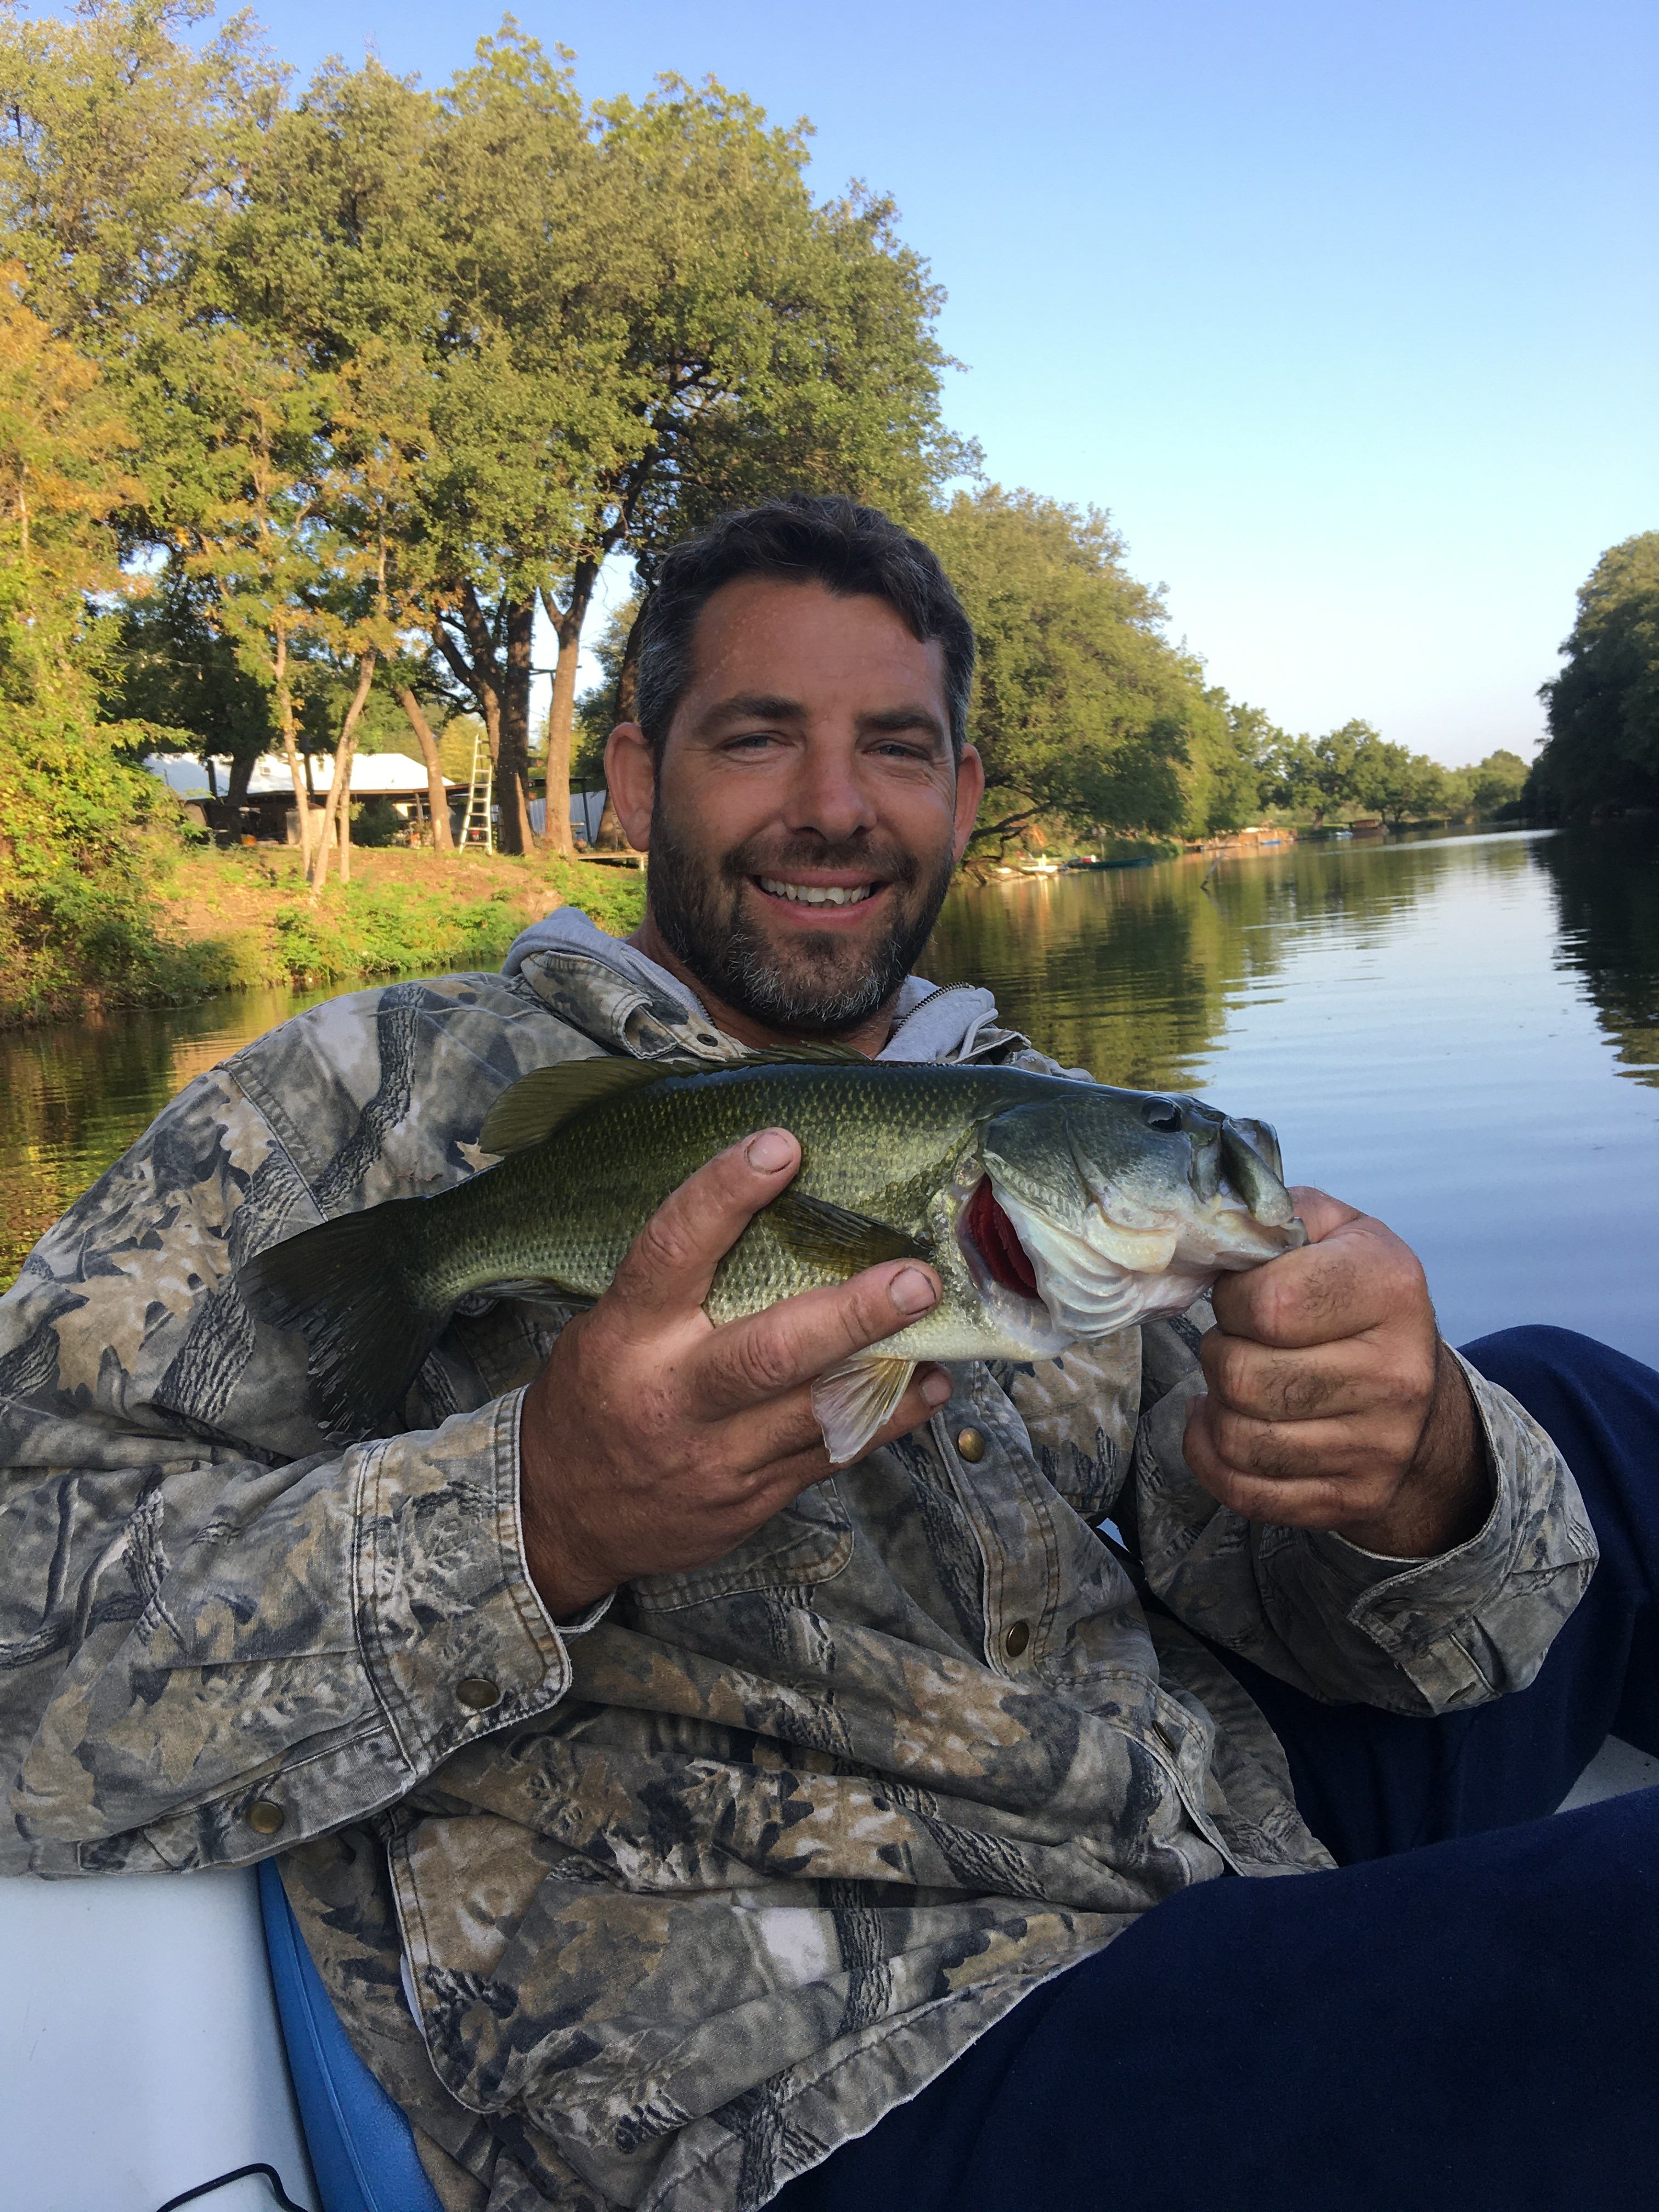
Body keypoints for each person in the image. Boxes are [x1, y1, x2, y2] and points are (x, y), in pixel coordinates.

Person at [1, 494, 1656, 2212]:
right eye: (758, 737)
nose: (835, 806)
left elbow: (1369, 1622)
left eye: (896, 746)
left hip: (1175, 1846)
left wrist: (1414, 1477)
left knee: (1574, 1405)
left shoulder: (1043, 1129)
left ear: (962, 797)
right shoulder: (362, 1109)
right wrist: (534, 1514)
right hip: (811, 2067)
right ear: (638, 780)